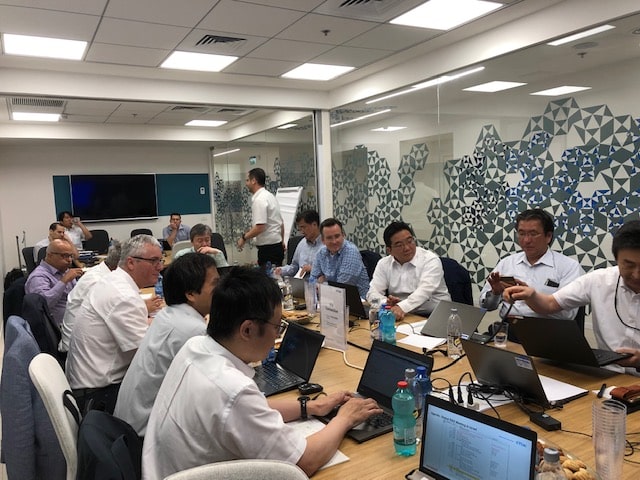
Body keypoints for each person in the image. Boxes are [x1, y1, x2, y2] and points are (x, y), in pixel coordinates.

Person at [142, 266, 381, 479]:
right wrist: (344, 419)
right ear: (247, 330)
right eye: (277, 327)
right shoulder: (232, 389)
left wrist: (312, 406)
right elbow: (303, 462)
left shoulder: (195, 347)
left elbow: (249, 410)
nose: (278, 334)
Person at [505, 219, 640, 375]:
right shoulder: (599, 280)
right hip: (609, 376)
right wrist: (531, 296)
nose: (636, 275)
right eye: (628, 265)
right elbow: (550, 304)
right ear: (616, 259)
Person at [114, 253, 219, 436]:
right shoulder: (193, 331)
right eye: (215, 284)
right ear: (191, 294)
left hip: (128, 426)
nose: (221, 289)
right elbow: (218, 392)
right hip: (146, 434)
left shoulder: (168, 315)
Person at [65, 234, 163, 414]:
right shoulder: (124, 296)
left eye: (160, 260)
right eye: (154, 261)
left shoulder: (113, 281)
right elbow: (147, 357)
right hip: (98, 397)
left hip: (89, 386)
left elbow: (137, 324)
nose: (160, 266)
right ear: (131, 262)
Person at [479, 208, 584, 320]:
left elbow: (568, 314)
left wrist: (531, 299)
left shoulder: (569, 267)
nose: (526, 240)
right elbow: (485, 306)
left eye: (533, 234)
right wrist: (495, 293)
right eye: (521, 234)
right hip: (509, 326)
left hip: (549, 328)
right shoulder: (507, 263)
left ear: (548, 236)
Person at [367, 221, 450, 320]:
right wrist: (386, 303)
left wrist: (401, 307)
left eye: (410, 241)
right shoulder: (384, 264)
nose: (407, 248)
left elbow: (424, 292)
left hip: (436, 315)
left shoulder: (430, 260)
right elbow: (372, 293)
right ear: (389, 250)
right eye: (399, 245)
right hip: (403, 314)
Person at [59, 240, 124, 353]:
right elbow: (118, 319)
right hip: (78, 350)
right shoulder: (98, 282)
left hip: (84, 342)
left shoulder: (99, 272)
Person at [25, 239, 83, 327]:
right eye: (64, 256)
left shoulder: (64, 270)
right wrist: (64, 281)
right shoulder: (38, 277)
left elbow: (76, 296)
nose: (69, 260)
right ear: (50, 255)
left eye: (70, 256)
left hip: (75, 320)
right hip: (57, 327)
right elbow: (43, 305)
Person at [236, 167, 285, 268]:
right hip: (276, 246)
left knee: (268, 277)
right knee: (275, 275)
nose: (246, 183)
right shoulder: (270, 196)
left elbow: (260, 227)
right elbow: (281, 224)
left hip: (268, 250)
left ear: (254, 181)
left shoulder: (259, 199)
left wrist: (244, 237)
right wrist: (281, 241)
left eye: (247, 180)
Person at [309, 218, 370, 298]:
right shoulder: (321, 253)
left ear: (343, 235)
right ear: (323, 240)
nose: (334, 241)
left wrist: (322, 283)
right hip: (329, 300)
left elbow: (340, 289)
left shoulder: (351, 252)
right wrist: (318, 283)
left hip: (356, 301)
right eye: (329, 238)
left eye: (337, 236)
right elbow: (311, 282)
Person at [275, 210, 322, 278]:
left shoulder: (327, 244)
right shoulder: (302, 243)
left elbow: (332, 271)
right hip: (300, 281)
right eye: (300, 228)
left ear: (314, 225)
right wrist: (281, 270)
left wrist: (313, 269)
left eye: (304, 227)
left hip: (319, 282)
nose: (302, 232)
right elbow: (295, 267)